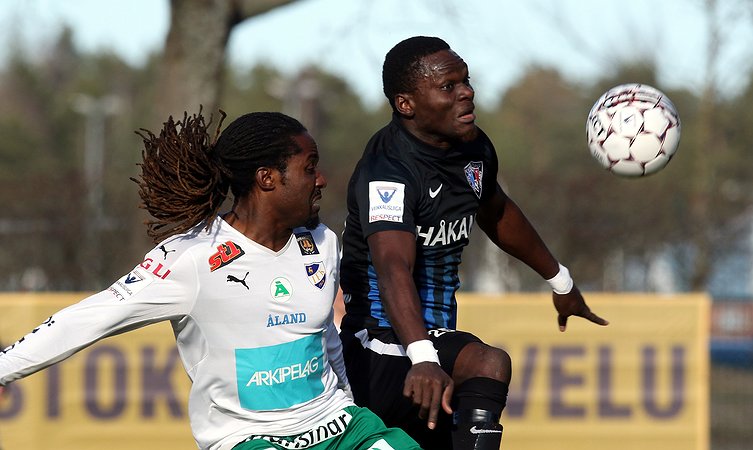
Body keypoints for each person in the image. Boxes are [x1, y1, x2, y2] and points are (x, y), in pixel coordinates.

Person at [0, 111, 421, 450]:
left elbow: (323, 335)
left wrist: (347, 401)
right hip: (249, 439)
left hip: (339, 426)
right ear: (267, 178)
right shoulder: (192, 257)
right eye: (309, 167)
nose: (322, 179)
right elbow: (86, 319)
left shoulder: (322, 242)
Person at [338, 36, 610, 450]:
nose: (467, 92)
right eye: (448, 86)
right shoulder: (388, 169)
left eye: (466, 81)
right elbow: (392, 267)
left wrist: (561, 281)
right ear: (406, 104)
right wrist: (423, 357)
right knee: (488, 362)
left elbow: (496, 211)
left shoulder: (473, 148)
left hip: (430, 350)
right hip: (379, 343)